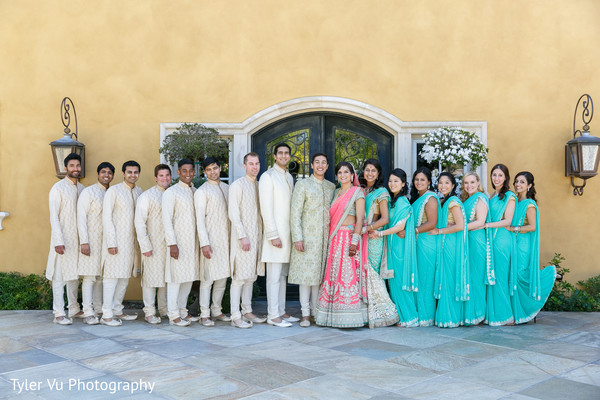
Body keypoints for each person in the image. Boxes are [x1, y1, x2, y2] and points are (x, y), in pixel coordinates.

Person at [315, 161, 368, 328]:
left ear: (352, 175)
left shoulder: (357, 192)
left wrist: (354, 241)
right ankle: (332, 316)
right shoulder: (336, 192)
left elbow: (360, 219)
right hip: (335, 238)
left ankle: (349, 316)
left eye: (346, 172)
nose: (343, 175)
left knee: (347, 276)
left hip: (348, 238)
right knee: (333, 275)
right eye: (340, 172)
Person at [288, 153, 335, 327]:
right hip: (306, 238)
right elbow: (295, 213)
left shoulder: (331, 187)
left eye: (324, 162)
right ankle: (305, 314)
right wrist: (297, 238)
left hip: (324, 240)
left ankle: (316, 312)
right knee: (306, 277)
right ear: (312, 165)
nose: (321, 165)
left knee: (319, 277)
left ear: (328, 166)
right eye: (317, 162)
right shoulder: (303, 185)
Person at [259, 142, 298, 327]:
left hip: (287, 235)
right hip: (274, 237)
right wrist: (272, 235)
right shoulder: (268, 177)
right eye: (280, 153)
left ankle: (281, 311)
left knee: (282, 276)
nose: (283, 156)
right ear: (274, 156)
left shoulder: (289, 177)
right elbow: (266, 209)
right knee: (273, 277)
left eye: (286, 153)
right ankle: (272, 315)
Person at [509, 172, 556, 324]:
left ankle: (526, 308)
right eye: (516, 181)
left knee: (520, 274)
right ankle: (515, 311)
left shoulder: (529, 204)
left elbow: (532, 226)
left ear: (529, 185)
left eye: (522, 182)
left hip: (523, 243)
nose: (518, 184)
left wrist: (514, 229)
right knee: (513, 275)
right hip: (513, 242)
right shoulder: (514, 201)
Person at [100, 160, 143, 326]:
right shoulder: (114, 191)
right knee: (111, 277)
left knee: (124, 277)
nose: (133, 175)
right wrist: (111, 242)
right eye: (129, 172)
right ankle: (106, 314)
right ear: (123, 173)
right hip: (115, 242)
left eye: (135, 172)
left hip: (131, 243)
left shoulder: (139, 191)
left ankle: (117, 310)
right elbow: (107, 218)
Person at [228, 152, 267, 328]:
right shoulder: (237, 186)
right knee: (238, 278)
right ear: (244, 166)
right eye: (251, 164)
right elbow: (233, 213)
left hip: (257, 237)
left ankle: (247, 310)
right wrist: (242, 236)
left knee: (250, 277)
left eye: (257, 163)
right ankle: (235, 315)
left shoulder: (260, 186)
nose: (254, 167)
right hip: (242, 238)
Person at [376, 168, 419, 327]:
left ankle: (409, 317)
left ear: (403, 184)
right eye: (390, 181)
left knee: (401, 280)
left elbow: (399, 227)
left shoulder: (402, 202)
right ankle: (399, 316)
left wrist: (380, 234)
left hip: (400, 247)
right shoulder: (392, 201)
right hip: (393, 245)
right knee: (393, 282)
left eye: (396, 181)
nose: (392, 184)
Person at [46, 153, 85, 325]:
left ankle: (74, 309)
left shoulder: (82, 189)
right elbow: (54, 217)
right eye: (72, 166)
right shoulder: (58, 188)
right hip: (62, 240)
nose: (75, 169)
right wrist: (58, 241)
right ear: (65, 168)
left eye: (77, 166)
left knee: (74, 276)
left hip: (77, 241)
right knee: (60, 277)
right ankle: (59, 313)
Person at [162, 159, 200, 327]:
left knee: (188, 278)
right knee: (175, 279)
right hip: (178, 242)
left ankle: (183, 311)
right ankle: (173, 314)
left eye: (191, 171)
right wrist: (172, 243)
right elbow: (166, 220)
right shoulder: (172, 192)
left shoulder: (196, 191)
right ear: (178, 172)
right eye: (184, 171)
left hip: (193, 243)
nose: (188, 174)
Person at [195, 157, 232, 327]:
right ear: (205, 172)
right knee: (207, 279)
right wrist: (204, 243)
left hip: (226, 241)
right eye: (208, 169)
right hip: (210, 240)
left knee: (222, 278)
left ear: (220, 168)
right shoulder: (202, 191)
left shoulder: (227, 188)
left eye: (215, 168)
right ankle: (204, 314)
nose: (213, 172)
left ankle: (216, 310)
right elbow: (200, 220)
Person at [430, 172, 469, 328]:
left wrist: (439, 231)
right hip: (445, 242)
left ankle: (450, 318)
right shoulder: (444, 201)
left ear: (453, 186)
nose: (443, 186)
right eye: (440, 183)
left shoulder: (453, 202)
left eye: (447, 183)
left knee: (449, 279)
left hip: (451, 244)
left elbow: (460, 225)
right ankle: (447, 316)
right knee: (445, 278)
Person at [77, 161, 114, 325]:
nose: (106, 175)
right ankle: (87, 311)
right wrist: (84, 241)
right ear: (98, 174)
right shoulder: (89, 192)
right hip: (90, 241)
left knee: (101, 277)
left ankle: (99, 308)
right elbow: (81, 218)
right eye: (103, 172)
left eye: (109, 173)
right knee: (90, 277)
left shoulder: (111, 192)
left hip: (105, 242)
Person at [134, 164, 171, 324]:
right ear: (155, 177)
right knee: (150, 279)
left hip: (168, 245)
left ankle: (164, 309)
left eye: (167, 175)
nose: (165, 178)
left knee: (165, 279)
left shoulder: (172, 194)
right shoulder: (147, 196)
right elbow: (139, 222)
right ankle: (149, 312)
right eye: (161, 175)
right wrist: (145, 245)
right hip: (152, 245)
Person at [484, 164, 516, 326]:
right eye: (494, 175)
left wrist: (487, 225)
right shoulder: (491, 196)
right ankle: (494, 315)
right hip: (491, 240)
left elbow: (508, 221)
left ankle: (506, 316)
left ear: (506, 178)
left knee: (501, 277)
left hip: (502, 240)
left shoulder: (509, 196)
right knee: (492, 276)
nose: (496, 178)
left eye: (500, 175)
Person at [410, 167, 440, 326]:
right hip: (419, 241)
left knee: (426, 279)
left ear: (429, 181)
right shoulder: (418, 198)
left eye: (422, 179)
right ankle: (420, 313)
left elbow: (432, 223)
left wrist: (412, 231)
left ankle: (426, 316)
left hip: (427, 242)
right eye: (416, 179)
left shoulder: (430, 198)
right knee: (419, 279)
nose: (419, 182)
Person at [461, 172, 489, 325]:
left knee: (477, 277)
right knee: (469, 277)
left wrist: (460, 227)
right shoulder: (466, 199)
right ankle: (470, 312)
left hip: (477, 241)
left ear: (478, 183)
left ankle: (479, 313)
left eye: (472, 182)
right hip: (467, 240)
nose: (469, 186)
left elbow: (480, 221)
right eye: (466, 183)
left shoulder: (480, 198)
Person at [361, 159, 390, 275]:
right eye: (367, 170)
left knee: (372, 272)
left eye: (373, 171)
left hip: (373, 237)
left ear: (378, 174)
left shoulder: (381, 192)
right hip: (360, 236)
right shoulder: (361, 190)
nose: (370, 173)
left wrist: (366, 229)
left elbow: (385, 219)